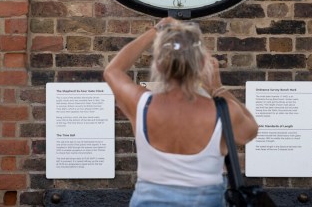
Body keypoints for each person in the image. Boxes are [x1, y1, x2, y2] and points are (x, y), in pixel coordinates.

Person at [103, 17, 259, 207]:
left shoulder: (140, 104)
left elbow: (112, 71)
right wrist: (217, 88)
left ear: (158, 64)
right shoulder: (223, 111)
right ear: (202, 64)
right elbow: (251, 131)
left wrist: (156, 30)